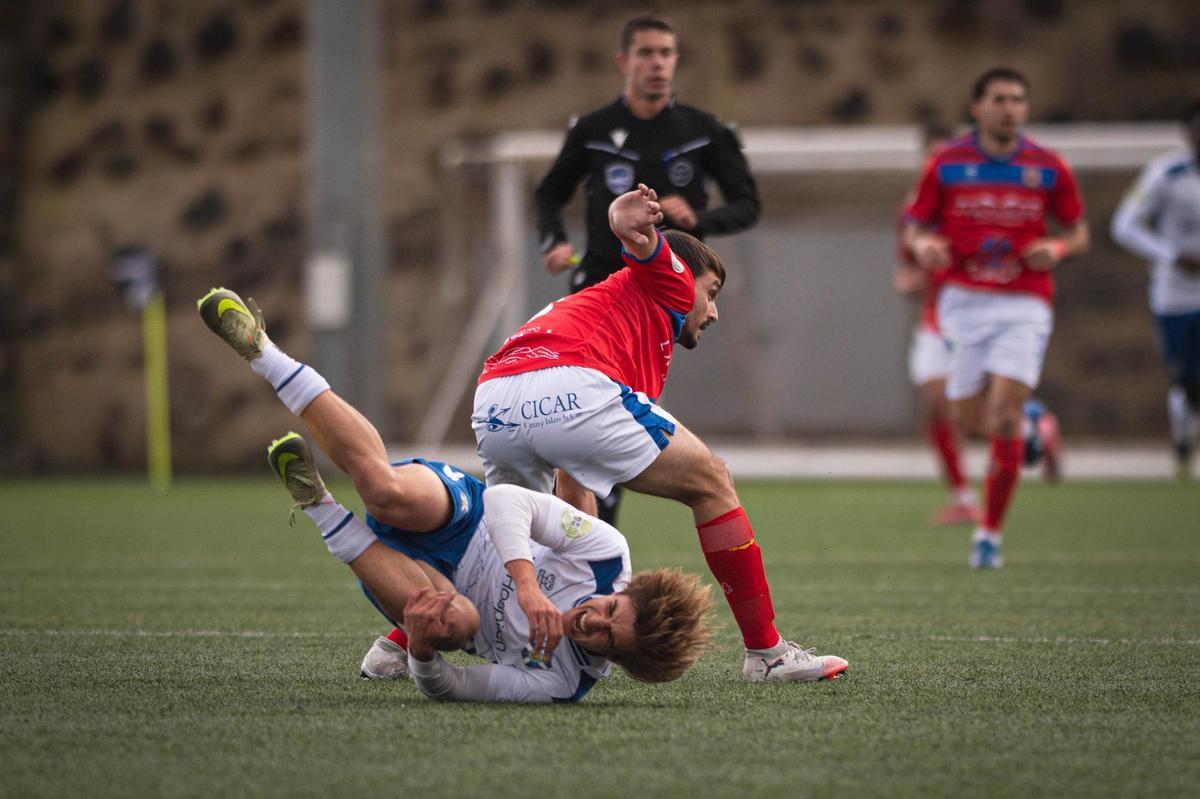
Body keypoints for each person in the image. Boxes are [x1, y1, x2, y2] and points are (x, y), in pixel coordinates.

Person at [196, 287, 714, 703]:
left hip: (434, 585)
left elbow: (453, 686)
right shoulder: (606, 556)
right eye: (610, 610)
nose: (593, 621)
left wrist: (421, 651)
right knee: (383, 491)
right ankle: (263, 352)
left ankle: (318, 505)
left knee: (451, 619)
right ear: (625, 591)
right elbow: (505, 501)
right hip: (466, 520)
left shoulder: (561, 683)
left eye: (607, 639)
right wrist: (528, 586)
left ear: (617, 661)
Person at [472, 183, 849, 683]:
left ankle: (397, 644)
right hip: (571, 383)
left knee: (501, 536)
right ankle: (768, 654)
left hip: (495, 399)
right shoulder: (666, 285)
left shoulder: (601, 316)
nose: (712, 311)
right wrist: (628, 221)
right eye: (711, 294)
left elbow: (573, 493)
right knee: (711, 481)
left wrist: (584, 571)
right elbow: (644, 244)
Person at [534, 13, 761, 526]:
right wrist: (554, 239)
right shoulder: (592, 129)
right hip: (595, 288)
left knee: (611, 421)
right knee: (587, 418)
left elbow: (748, 205)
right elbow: (549, 193)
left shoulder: (704, 131)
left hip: (667, 295)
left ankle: (589, 539)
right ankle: (585, 538)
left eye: (665, 54)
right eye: (646, 53)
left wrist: (699, 218)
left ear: (675, 61)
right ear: (624, 61)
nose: (657, 64)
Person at [902, 67, 1090, 569]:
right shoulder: (946, 164)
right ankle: (1036, 426)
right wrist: (926, 247)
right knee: (965, 419)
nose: (1010, 108)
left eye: (1018, 100)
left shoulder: (1049, 166)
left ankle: (989, 533)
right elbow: (915, 227)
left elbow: (1078, 232)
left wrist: (1056, 246)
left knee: (1002, 413)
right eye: (1000, 99)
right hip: (962, 302)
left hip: (1023, 301)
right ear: (978, 106)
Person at [894, 123, 980, 525]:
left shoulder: (974, 205)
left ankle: (1035, 423)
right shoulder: (913, 210)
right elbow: (909, 270)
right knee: (936, 407)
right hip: (934, 318)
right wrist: (909, 281)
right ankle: (963, 497)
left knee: (964, 408)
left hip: (977, 314)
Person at [1111, 100, 1200, 480]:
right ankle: (1183, 433)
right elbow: (1124, 226)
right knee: (1188, 381)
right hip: (1176, 294)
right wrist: (1171, 255)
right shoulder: (1165, 174)